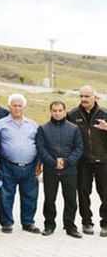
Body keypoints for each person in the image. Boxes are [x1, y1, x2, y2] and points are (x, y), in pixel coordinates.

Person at [0, 94, 41, 234]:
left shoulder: (32, 125)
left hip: (30, 166)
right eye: (14, 105)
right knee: (6, 195)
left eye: (20, 105)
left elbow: (39, 145)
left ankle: (28, 223)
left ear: (24, 107)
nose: (17, 108)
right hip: (7, 165)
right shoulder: (1, 124)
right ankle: (7, 223)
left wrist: (39, 164)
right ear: (9, 107)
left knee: (30, 196)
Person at [37, 101, 84, 237]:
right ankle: (49, 225)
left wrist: (66, 161)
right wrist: (52, 162)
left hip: (69, 170)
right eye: (54, 111)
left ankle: (70, 226)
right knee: (49, 199)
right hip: (50, 170)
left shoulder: (74, 128)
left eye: (60, 110)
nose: (57, 113)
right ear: (50, 112)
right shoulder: (43, 128)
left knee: (70, 199)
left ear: (64, 111)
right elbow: (41, 147)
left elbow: (79, 148)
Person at [67, 85, 107, 236]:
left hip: (103, 160)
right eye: (81, 96)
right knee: (83, 193)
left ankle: (105, 224)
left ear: (94, 97)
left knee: (105, 193)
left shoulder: (105, 113)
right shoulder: (72, 114)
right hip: (82, 161)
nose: (83, 99)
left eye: (87, 96)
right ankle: (86, 222)